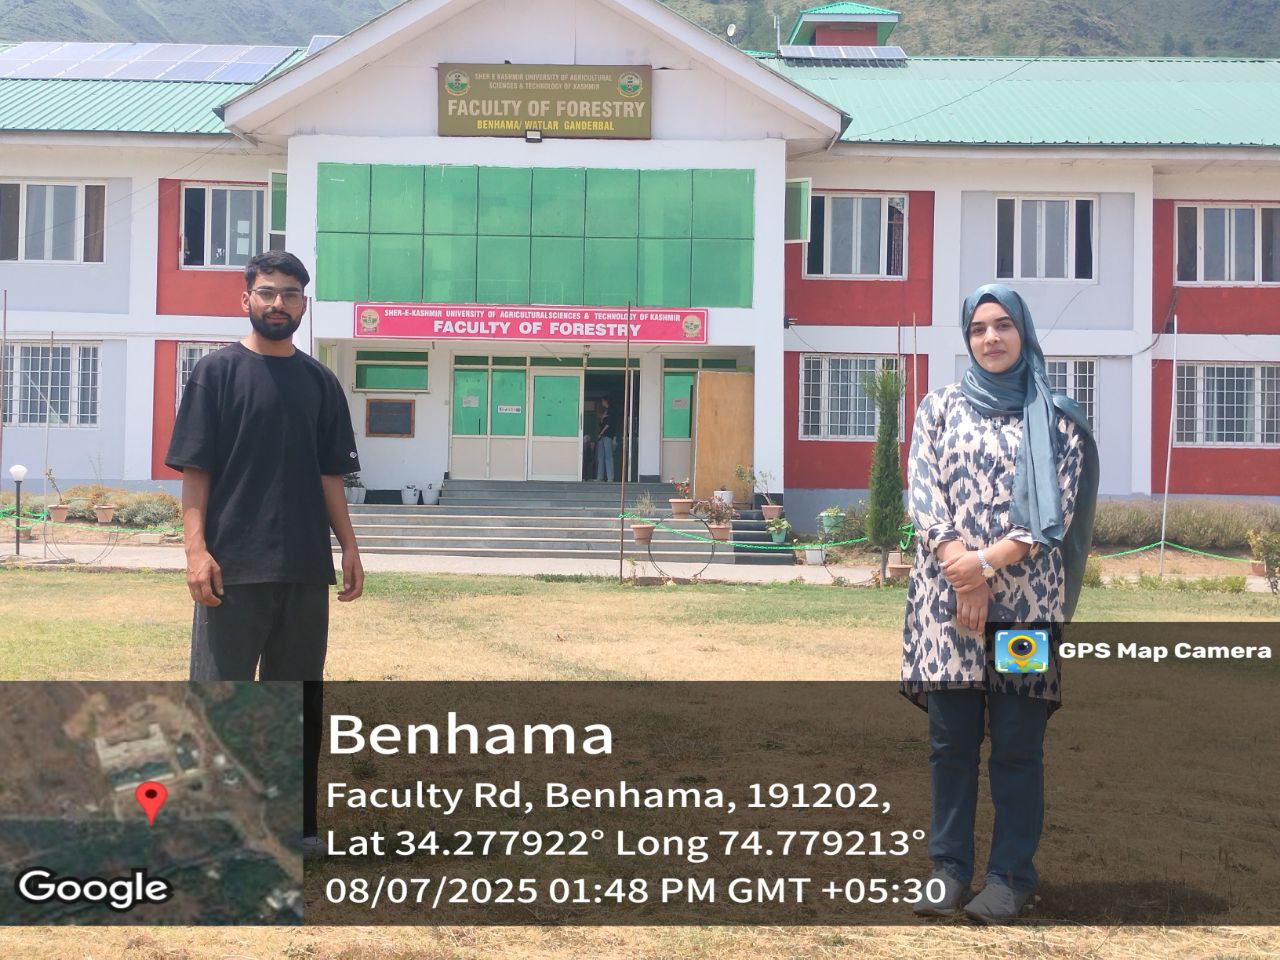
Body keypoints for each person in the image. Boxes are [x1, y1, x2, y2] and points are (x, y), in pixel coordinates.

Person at [902, 283, 1099, 923]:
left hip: (1025, 609)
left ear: (1024, 332)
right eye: (979, 328)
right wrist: (962, 572)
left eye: (1003, 325)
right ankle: (948, 871)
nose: (991, 337)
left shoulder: (1058, 420)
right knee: (950, 745)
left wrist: (983, 567)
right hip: (948, 612)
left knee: (1016, 744)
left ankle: (1010, 878)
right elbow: (923, 493)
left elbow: (1051, 517)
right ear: (968, 338)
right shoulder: (937, 409)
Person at [165, 249, 364, 682]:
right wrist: (195, 552)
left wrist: (349, 546)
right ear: (246, 299)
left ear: (303, 306)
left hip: (305, 568)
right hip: (231, 568)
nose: (278, 304)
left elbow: (329, 474)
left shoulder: (321, 382)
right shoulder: (215, 373)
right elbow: (196, 470)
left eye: (290, 295)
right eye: (267, 292)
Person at [595, 396, 616, 482]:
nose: (602, 403)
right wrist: (602, 418)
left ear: (606, 401)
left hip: (607, 436)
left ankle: (610, 477)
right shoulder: (605, 411)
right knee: (600, 457)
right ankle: (600, 477)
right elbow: (601, 424)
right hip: (602, 436)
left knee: (608, 457)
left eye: (603, 401)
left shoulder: (612, 411)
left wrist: (601, 433)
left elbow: (608, 425)